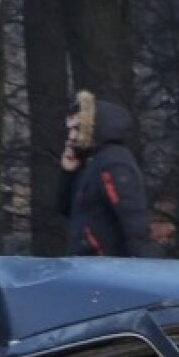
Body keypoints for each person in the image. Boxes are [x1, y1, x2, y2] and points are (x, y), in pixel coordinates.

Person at [56, 90, 159, 257]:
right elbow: (66, 209)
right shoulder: (90, 163)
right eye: (70, 129)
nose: (71, 136)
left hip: (106, 267)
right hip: (89, 264)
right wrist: (67, 174)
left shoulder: (113, 163)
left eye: (77, 128)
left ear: (93, 127)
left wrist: (145, 270)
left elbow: (132, 218)